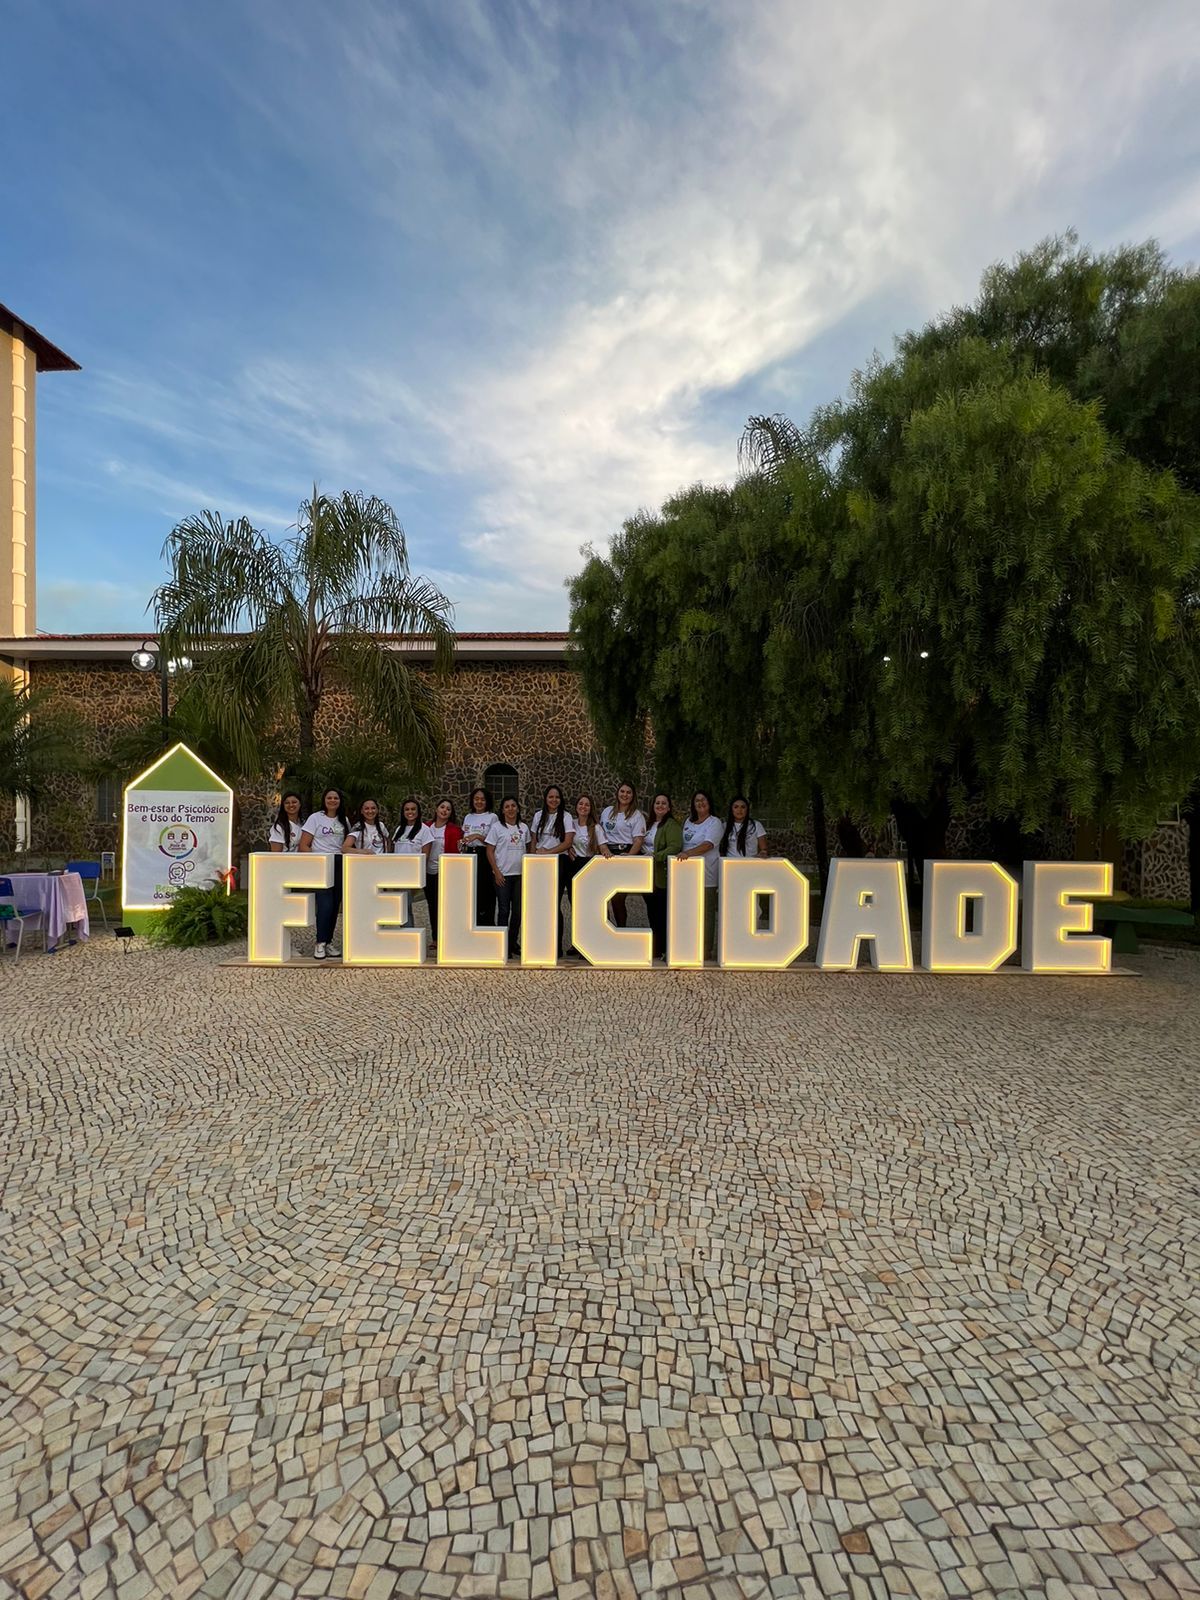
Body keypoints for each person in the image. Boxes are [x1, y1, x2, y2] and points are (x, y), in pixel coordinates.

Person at [300, 788, 348, 958]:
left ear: (340, 801)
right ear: (324, 800)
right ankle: (319, 942)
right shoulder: (315, 818)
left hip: (340, 863)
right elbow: (304, 845)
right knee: (325, 904)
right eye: (329, 797)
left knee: (335, 905)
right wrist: (316, 861)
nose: (333, 800)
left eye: (336, 798)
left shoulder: (344, 820)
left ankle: (328, 942)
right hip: (322, 863)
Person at [529, 785, 575, 959]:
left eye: (557, 797)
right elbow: (534, 839)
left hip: (559, 861)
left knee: (555, 903)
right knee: (542, 904)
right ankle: (541, 944)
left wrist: (548, 852)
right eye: (551, 797)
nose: (554, 800)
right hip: (540, 862)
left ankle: (556, 946)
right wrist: (533, 857)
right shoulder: (538, 816)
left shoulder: (566, 816)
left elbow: (568, 842)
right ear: (545, 798)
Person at [678, 791, 724, 959]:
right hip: (688, 875)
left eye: (703, 800)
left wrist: (688, 853)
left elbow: (708, 845)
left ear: (709, 803)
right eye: (697, 800)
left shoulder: (714, 823)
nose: (700, 803)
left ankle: (706, 949)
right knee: (689, 911)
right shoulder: (688, 822)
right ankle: (689, 945)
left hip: (707, 874)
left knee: (706, 913)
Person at [486, 796, 529, 958]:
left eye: (513, 806)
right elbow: (489, 850)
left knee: (518, 912)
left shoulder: (524, 828)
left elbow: (528, 848)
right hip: (503, 876)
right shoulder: (496, 828)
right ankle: (502, 944)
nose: (510, 809)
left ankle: (512, 942)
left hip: (520, 876)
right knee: (504, 910)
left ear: (517, 808)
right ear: (503, 810)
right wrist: (496, 871)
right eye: (507, 807)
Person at [600, 780, 646, 928]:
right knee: (602, 896)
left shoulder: (636, 815)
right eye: (622, 791)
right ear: (617, 793)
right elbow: (599, 833)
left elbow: (638, 840)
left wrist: (629, 857)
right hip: (607, 855)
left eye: (628, 792)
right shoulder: (607, 811)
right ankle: (605, 929)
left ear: (633, 796)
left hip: (624, 853)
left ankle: (621, 929)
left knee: (618, 897)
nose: (625, 795)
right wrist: (603, 849)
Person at [566, 794, 608, 956]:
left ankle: (592, 943)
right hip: (573, 866)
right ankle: (577, 943)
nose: (583, 807)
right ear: (576, 807)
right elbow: (565, 841)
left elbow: (603, 847)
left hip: (589, 867)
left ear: (591, 809)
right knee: (576, 906)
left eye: (587, 805)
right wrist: (568, 848)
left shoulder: (596, 827)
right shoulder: (570, 823)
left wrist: (608, 854)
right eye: (581, 804)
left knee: (590, 907)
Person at [648, 793, 683, 961]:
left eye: (664, 803)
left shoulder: (671, 825)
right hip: (647, 875)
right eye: (657, 803)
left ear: (669, 808)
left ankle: (665, 949)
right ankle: (656, 948)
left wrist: (657, 856)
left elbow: (675, 847)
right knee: (652, 913)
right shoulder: (649, 824)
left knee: (662, 913)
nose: (660, 805)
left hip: (661, 875)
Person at [392, 797, 434, 930]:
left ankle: (408, 933)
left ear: (418, 811)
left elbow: (426, 854)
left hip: (411, 873)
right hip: (397, 873)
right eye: (407, 809)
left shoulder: (424, 830)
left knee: (406, 906)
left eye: (413, 809)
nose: (410, 812)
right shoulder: (400, 829)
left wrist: (419, 874)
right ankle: (404, 932)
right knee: (399, 906)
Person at [426, 798, 463, 946]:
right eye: (442, 807)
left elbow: (457, 852)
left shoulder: (455, 830)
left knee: (445, 905)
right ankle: (435, 937)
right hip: (428, 871)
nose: (444, 810)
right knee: (432, 905)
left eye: (448, 809)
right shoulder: (425, 827)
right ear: (436, 809)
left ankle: (448, 937)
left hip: (445, 871)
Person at [461, 786, 499, 928]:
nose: (479, 802)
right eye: (476, 799)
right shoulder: (468, 817)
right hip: (469, 854)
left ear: (487, 801)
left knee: (486, 891)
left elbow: (494, 841)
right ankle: (472, 924)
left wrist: (477, 836)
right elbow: (465, 836)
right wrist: (463, 842)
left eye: (482, 799)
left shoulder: (492, 817)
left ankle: (487, 924)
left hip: (484, 855)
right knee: (471, 891)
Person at [720, 796, 767, 861]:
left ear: (747, 809)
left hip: (751, 862)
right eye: (736, 807)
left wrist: (763, 853)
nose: (739, 810)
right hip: (730, 863)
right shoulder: (724, 826)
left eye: (743, 807)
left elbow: (763, 848)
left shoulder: (756, 825)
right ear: (731, 809)